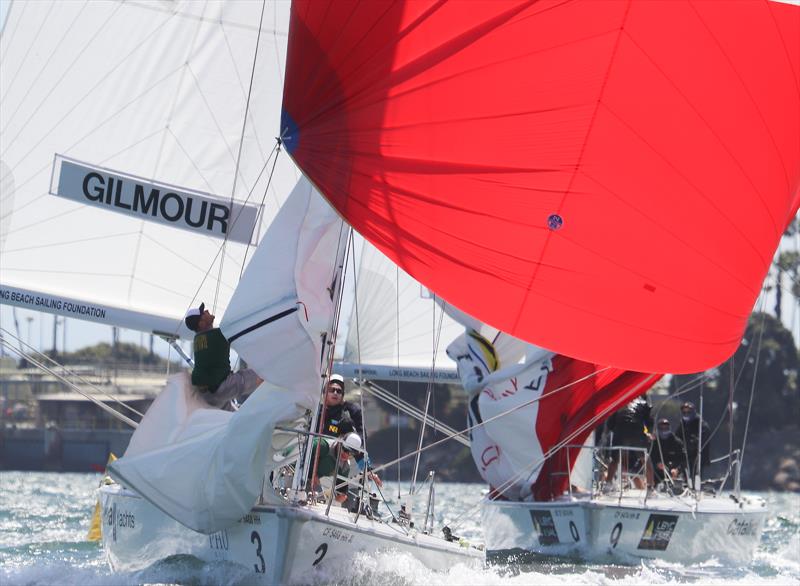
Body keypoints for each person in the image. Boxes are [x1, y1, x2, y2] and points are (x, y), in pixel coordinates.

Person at [184, 303, 262, 409]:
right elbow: (242, 328)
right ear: (201, 324)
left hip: (207, 394)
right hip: (221, 387)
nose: (206, 310)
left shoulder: (198, 339)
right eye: (203, 313)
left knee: (229, 420)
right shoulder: (215, 336)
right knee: (263, 374)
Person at [603, 396, 653, 489]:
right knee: (645, 459)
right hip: (637, 432)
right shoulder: (643, 403)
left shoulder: (619, 402)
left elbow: (610, 424)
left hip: (621, 432)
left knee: (615, 459)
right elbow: (649, 421)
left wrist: (613, 432)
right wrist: (649, 433)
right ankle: (651, 488)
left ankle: (608, 484)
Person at [676, 401, 710, 483]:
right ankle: (686, 487)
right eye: (684, 412)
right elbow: (676, 437)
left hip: (698, 456)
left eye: (688, 412)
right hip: (685, 455)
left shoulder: (701, 424)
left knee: (696, 475)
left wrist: (692, 442)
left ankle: (696, 490)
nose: (686, 414)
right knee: (686, 475)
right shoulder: (682, 423)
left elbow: (703, 438)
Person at [648, 418, 685, 485]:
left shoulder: (677, 442)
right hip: (657, 472)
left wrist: (677, 470)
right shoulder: (654, 442)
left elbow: (683, 459)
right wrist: (657, 464)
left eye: (666, 427)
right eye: (662, 427)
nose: (664, 429)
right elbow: (650, 457)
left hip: (673, 472)